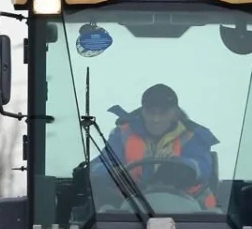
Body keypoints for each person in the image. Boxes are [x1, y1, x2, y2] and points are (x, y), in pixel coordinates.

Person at [90, 83, 221, 209]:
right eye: (151, 113)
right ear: (142, 111)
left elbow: (203, 168)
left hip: (188, 207)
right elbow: (97, 166)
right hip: (132, 208)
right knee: (104, 211)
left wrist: (179, 165)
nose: (156, 119)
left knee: (216, 218)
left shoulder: (194, 135)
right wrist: (114, 171)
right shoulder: (122, 135)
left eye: (162, 113)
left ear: (175, 113)